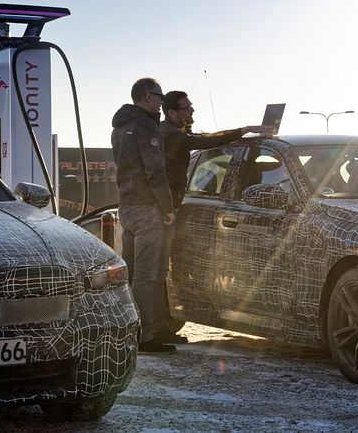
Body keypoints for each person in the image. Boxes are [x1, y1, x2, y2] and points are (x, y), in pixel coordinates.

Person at [153, 90, 269, 342]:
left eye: (191, 108)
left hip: (163, 207)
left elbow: (201, 139)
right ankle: (156, 329)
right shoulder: (172, 137)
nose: (192, 112)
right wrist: (245, 129)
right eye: (186, 108)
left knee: (158, 270)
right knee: (157, 271)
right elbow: (204, 141)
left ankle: (157, 327)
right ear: (171, 112)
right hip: (162, 210)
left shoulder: (169, 132)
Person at [111, 78, 177, 354]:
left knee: (132, 272)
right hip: (148, 208)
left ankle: (128, 331)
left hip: (126, 207)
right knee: (147, 275)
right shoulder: (146, 124)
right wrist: (168, 207)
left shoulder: (120, 126)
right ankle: (144, 336)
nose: (162, 101)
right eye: (159, 96)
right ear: (147, 96)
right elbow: (154, 170)